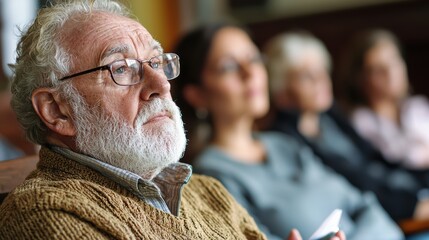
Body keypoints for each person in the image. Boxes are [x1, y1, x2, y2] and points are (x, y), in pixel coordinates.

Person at [0, 1, 304, 239]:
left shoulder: (209, 191)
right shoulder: (43, 211)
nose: (162, 84)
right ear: (57, 110)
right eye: (120, 68)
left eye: (156, 62)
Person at [173, 23, 402, 240]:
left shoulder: (284, 144)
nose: (250, 72)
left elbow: (368, 208)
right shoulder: (210, 177)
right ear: (196, 94)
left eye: (254, 58)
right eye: (229, 66)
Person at [264, 31, 429, 223]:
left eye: (322, 70)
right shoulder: (285, 138)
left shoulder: (329, 115)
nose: (321, 80)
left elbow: (375, 160)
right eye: (306, 76)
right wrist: (412, 206)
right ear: (281, 89)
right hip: (378, 216)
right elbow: (351, 184)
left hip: (397, 200)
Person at [340, 29, 429, 170]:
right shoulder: (360, 122)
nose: (390, 74)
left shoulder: (418, 107)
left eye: (394, 62)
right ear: (360, 79)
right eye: (378, 70)